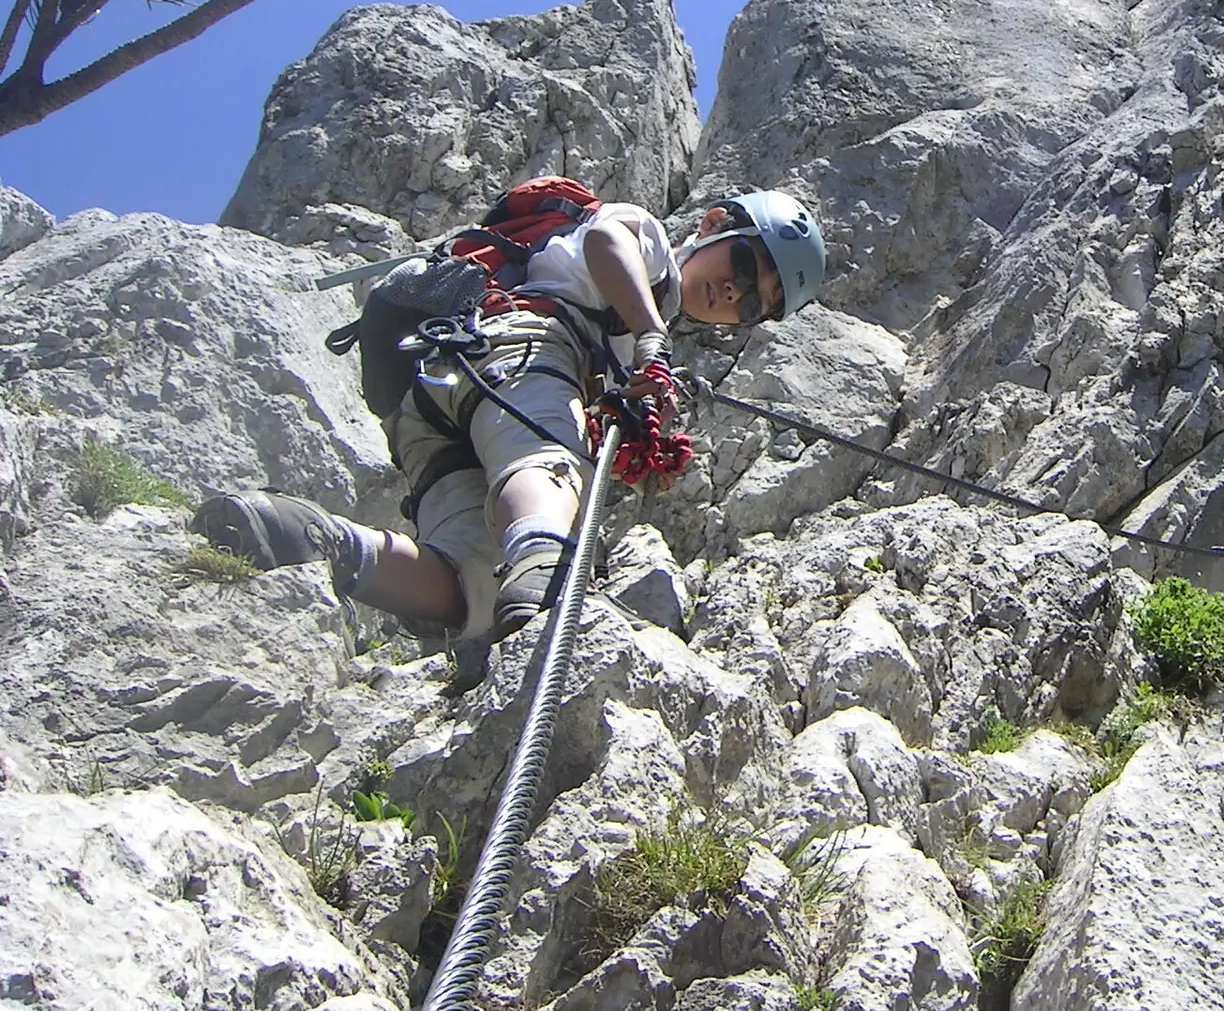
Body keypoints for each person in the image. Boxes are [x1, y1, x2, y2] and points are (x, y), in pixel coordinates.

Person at [192, 188, 825, 690]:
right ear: (712, 224)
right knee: (550, 465)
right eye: (745, 265)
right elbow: (607, 240)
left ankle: (319, 539)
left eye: (754, 306)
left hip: (429, 395)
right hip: (516, 348)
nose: (735, 293)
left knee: (472, 583)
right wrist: (651, 342)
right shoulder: (650, 249)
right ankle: (546, 565)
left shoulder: (633, 332)